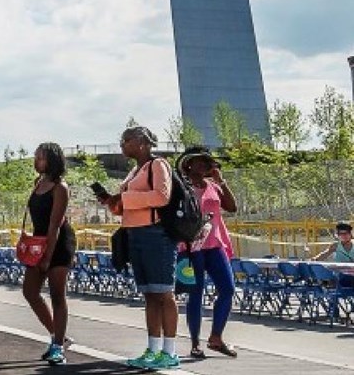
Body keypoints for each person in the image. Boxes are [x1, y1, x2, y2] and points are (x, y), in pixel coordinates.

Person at [93, 126, 179, 371]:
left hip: (156, 235)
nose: (122, 144)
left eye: (126, 140)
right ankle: (152, 349)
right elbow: (127, 206)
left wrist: (125, 199)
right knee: (150, 294)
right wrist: (113, 202)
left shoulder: (158, 165)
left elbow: (162, 197)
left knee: (164, 293)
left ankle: (170, 351)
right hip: (136, 234)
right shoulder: (134, 171)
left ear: (142, 142)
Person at [177, 146, 237, 359]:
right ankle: (195, 343)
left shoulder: (213, 186)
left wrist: (221, 181)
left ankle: (216, 337)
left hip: (214, 245)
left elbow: (232, 207)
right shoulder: (181, 187)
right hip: (191, 248)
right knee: (195, 294)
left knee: (228, 289)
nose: (204, 166)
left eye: (207, 163)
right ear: (189, 164)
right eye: (200, 162)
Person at [21, 143, 75, 366]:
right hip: (39, 242)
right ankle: (58, 336)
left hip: (58, 244)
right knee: (30, 291)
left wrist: (46, 257)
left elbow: (55, 226)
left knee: (57, 295)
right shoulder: (38, 184)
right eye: (36, 157)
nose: (36, 161)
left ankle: (58, 348)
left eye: (40, 158)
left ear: (51, 160)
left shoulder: (60, 188)